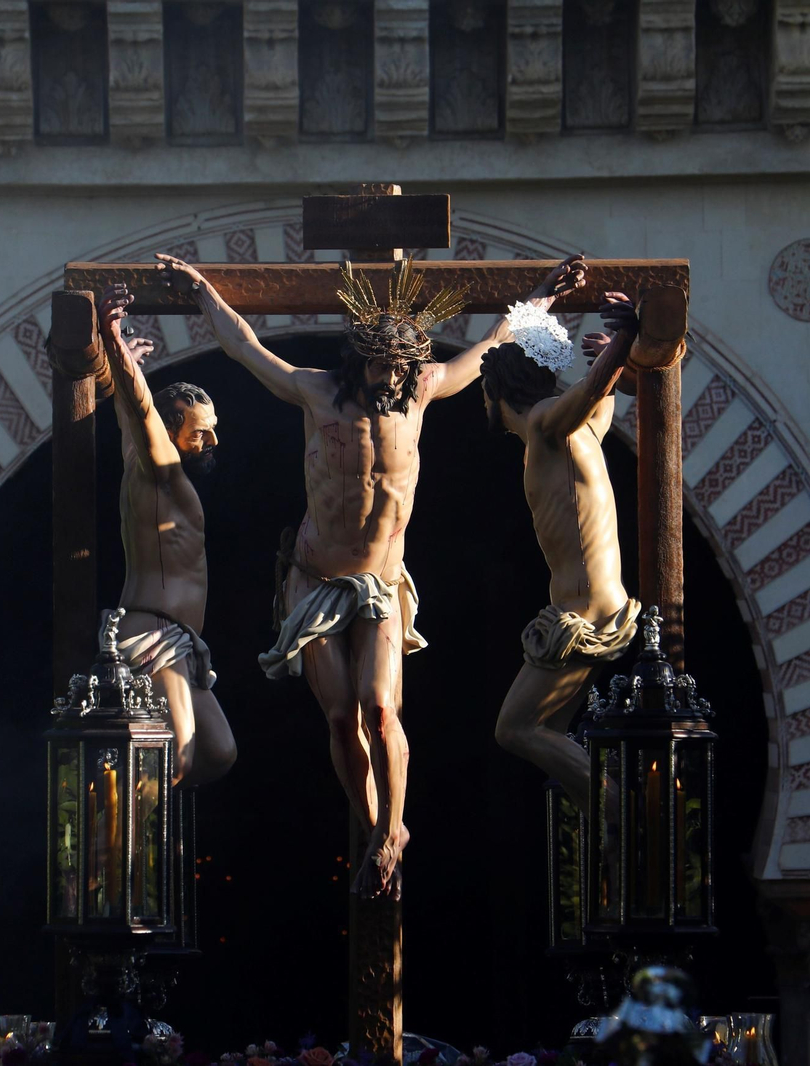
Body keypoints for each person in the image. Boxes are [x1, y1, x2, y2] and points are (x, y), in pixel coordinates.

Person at [155, 251, 586, 897]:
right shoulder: (316, 390)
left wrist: (543, 296)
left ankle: (392, 831)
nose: (393, 378)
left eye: (402, 367)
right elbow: (244, 347)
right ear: (359, 361)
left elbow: (495, 340)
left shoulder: (423, 389)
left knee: (382, 709)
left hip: (381, 582)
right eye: (383, 366)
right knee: (340, 717)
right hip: (315, 580)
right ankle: (376, 830)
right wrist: (199, 291)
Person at [480, 290, 645, 811]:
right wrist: (612, 354)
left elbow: (588, 392)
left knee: (514, 729)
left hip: (585, 610)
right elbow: (598, 396)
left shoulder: (547, 424)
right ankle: (607, 821)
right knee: (548, 731)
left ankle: (622, 811)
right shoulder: (581, 434)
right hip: (594, 603)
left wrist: (625, 338)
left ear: (494, 389)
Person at [97, 282, 237, 787]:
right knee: (179, 755)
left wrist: (124, 361)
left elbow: (126, 414)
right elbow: (137, 408)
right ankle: (117, 851)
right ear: (172, 432)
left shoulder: (140, 459)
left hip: (179, 638)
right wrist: (113, 342)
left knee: (219, 753)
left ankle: (129, 794)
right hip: (154, 634)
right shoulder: (161, 468)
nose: (213, 440)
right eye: (201, 431)